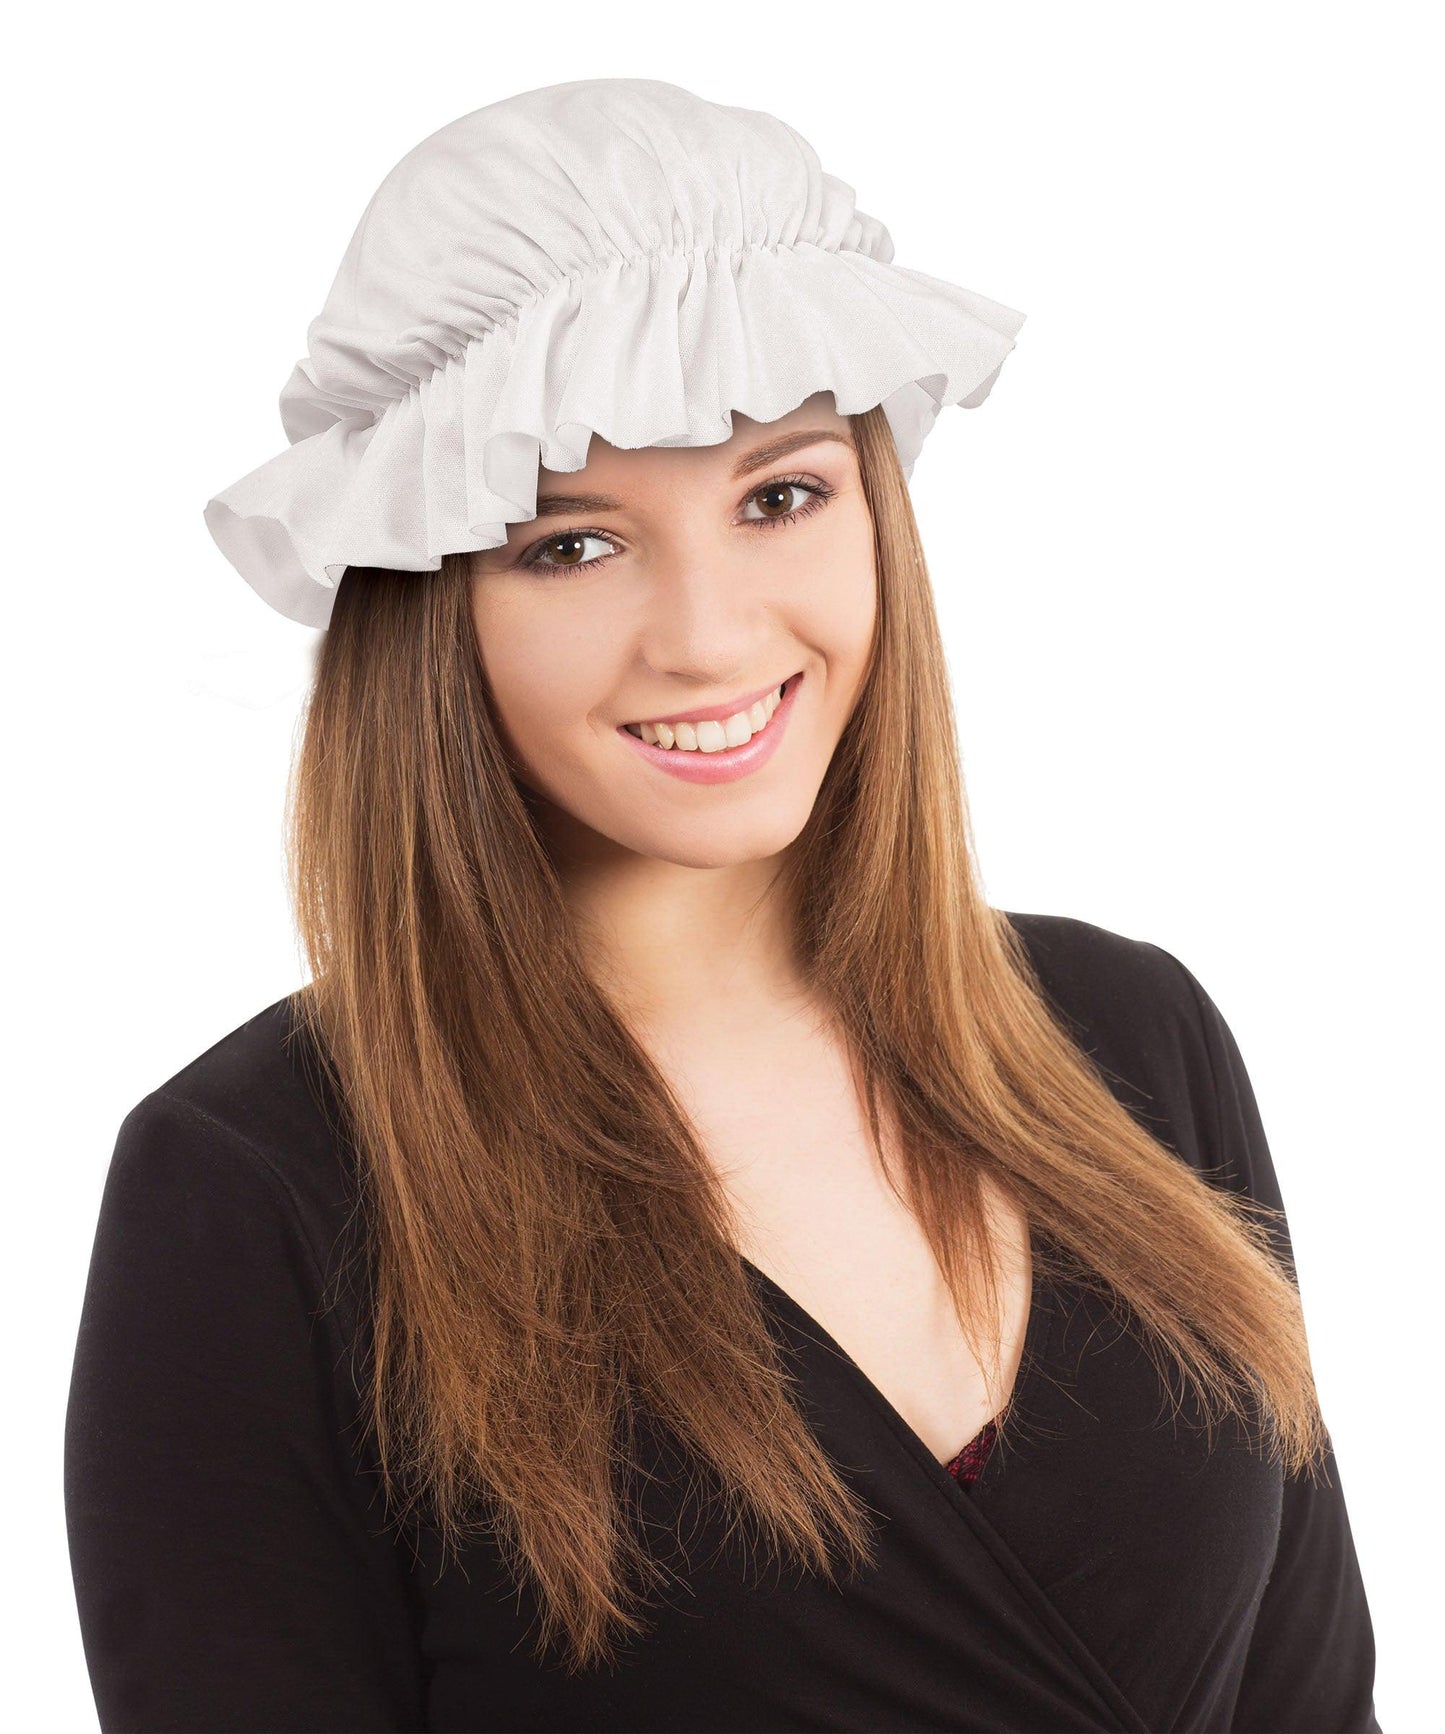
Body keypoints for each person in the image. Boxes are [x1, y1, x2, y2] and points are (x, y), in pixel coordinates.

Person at [64, 78, 1381, 1732]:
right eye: (570, 545)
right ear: (425, 604)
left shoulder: (1130, 1037)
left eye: (780, 496)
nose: (707, 635)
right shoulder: (257, 1193)